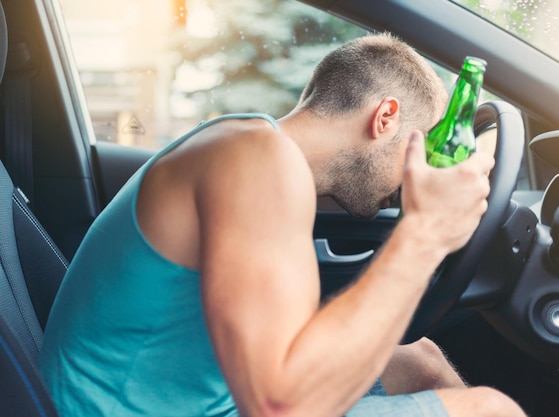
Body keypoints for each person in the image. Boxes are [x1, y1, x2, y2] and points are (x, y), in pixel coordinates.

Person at [38, 32, 526, 417]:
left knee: (420, 359)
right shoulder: (255, 162)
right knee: (491, 410)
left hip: (201, 400)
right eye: (421, 151)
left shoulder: (256, 149)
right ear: (385, 118)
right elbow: (280, 406)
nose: (411, 183)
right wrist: (425, 232)